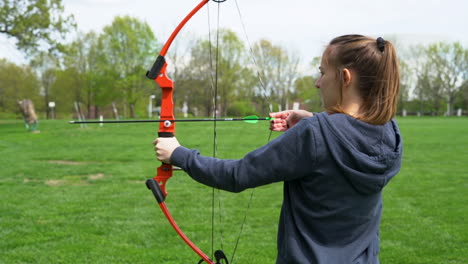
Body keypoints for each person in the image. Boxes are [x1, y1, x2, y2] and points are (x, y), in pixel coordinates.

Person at [154, 34, 403, 264]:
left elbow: (237, 175)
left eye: (322, 72)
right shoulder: (389, 131)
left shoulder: (314, 133)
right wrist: (310, 119)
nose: (318, 83)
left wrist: (177, 154)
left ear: (345, 77)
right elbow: (346, 132)